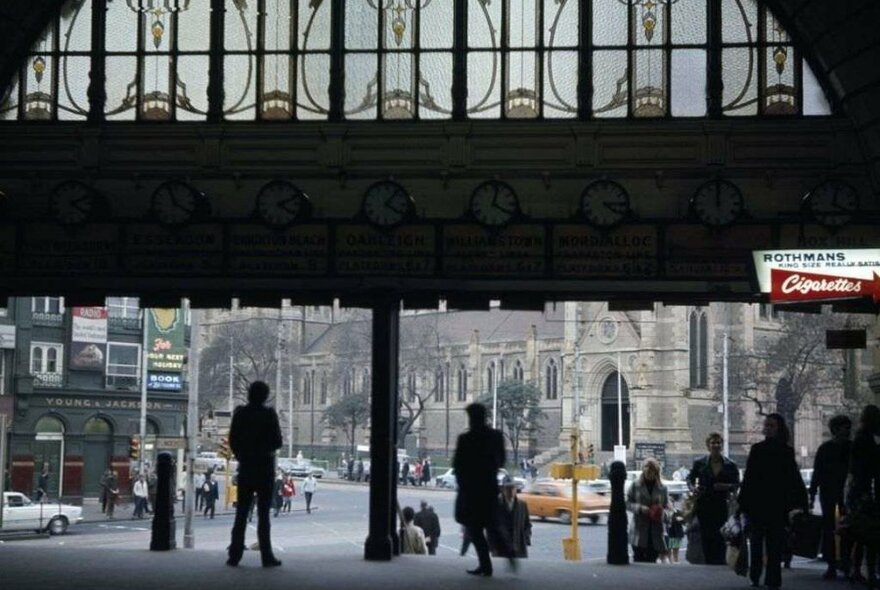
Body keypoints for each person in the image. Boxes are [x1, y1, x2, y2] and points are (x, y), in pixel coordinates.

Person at [738, 413, 808, 590]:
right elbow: (749, 477)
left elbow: (791, 478)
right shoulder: (764, 449)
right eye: (766, 425)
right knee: (761, 542)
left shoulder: (781, 451)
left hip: (771, 504)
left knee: (771, 543)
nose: (768, 429)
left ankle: (768, 577)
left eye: (771, 426)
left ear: (778, 429)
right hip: (765, 504)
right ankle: (762, 576)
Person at [453, 402, 514, 577]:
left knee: (475, 530)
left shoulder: (465, 439)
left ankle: (486, 565)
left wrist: (464, 484)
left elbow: (458, 465)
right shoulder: (495, 436)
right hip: (488, 488)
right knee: (492, 526)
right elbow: (501, 460)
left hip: (471, 491)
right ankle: (507, 553)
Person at [227, 380, 284, 568]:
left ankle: (234, 554)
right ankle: (266, 556)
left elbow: (233, 439)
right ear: (265, 396)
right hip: (264, 468)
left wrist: (242, 455)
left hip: (246, 467)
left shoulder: (241, 413)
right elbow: (277, 441)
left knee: (241, 512)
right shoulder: (269, 414)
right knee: (263, 515)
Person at [809, 414, 853, 579]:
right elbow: (818, 472)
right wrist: (812, 493)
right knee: (836, 528)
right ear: (836, 429)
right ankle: (838, 563)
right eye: (845, 427)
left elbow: (818, 473)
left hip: (833, 492)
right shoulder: (848, 448)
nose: (847, 431)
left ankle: (837, 563)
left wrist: (813, 493)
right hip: (836, 493)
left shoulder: (827, 448)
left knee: (837, 528)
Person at [686, 432, 740, 565]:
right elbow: (689, 479)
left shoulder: (730, 465)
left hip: (722, 505)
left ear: (721, 445)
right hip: (704, 505)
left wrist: (726, 486)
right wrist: (693, 489)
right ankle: (709, 562)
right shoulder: (699, 463)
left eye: (718, 443)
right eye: (713, 443)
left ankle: (720, 562)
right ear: (708, 446)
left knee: (721, 536)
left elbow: (737, 484)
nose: (716, 445)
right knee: (705, 536)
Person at [846, 405, 880, 588]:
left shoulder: (860, 439)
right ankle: (868, 571)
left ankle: (857, 570)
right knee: (871, 535)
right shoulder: (869, 441)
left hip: (859, 493)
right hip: (867, 493)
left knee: (861, 534)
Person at [626, 457, 670, 563]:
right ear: (643, 470)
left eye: (652, 471)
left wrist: (661, 513)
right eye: (647, 469)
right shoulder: (635, 485)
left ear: (656, 472)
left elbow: (667, 508)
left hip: (655, 533)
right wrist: (640, 508)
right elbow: (627, 503)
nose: (649, 473)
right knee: (638, 561)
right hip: (638, 531)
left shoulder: (662, 488)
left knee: (651, 562)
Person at [494, 477, 531, 558]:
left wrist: (526, 538)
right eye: (507, 488)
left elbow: (527, 524)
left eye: (512, 488)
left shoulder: (522, 505)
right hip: (501, 547)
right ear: (503, 489)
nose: (510, 491)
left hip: (518, 547)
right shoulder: (495, 505)